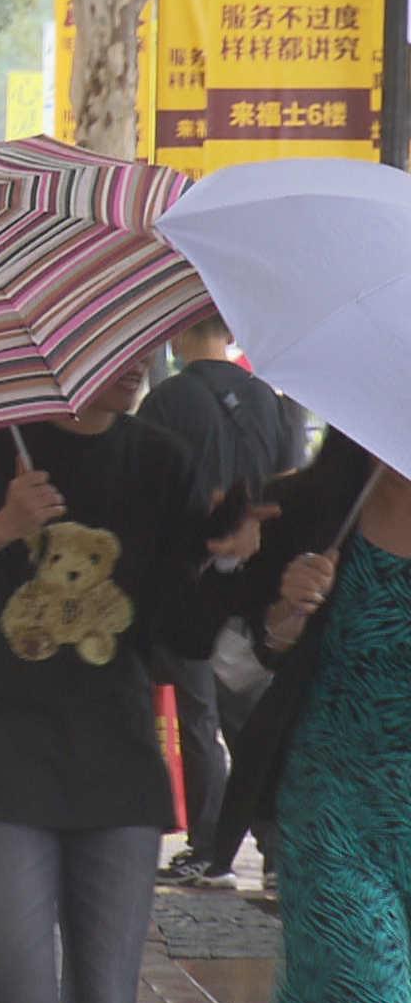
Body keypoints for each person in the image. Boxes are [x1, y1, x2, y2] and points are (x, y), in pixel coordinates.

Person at [0, 356, 271, 1003]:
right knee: (28, 991)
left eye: (144, 343)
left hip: (116, 761)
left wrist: (224, 559)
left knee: (107, 996)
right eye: (119, 347)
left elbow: (180, 636)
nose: (138, 361)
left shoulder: (158, 461)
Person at [203, 431, 410, 1003]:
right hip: (333, 802)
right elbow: (233, 651)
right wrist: (283, 615)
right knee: (363, 991)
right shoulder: (309, 509)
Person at [136, 316, 297, 889]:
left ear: (177, 336)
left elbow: (148, 495)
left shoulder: (167, 400)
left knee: (198, 717)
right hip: (257, 588)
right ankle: (278, 852)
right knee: (256, 721)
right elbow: (290, 488)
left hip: (191, 583)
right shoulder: (270, 399)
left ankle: (209, 849)